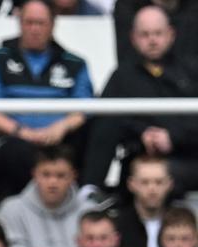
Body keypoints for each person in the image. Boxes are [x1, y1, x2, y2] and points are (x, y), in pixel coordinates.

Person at [0, 0, 93, 205]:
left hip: (60, 139)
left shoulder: (74, 62)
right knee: (17, 152)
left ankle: (86, 205)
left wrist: (60, 127)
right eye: (29, 22)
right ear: (19, 22)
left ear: (53, 24)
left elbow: (84, 108)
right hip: (11, 139)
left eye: (40, 23)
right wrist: (23, 132)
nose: (34, 29)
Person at [84, 5, 198, 193]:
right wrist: (142, 132)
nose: (152, 40)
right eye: (145, 34)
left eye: (158, 33)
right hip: (137, 161)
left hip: (187, 161)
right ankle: (90, 190)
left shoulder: (192, 72)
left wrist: (172, 137)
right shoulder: (122, 76)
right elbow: (106, 124)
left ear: (171, 34)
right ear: (133, 38)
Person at [0, 146, 99, 247]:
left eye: (60, 175)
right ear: (34, 174)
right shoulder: (11, 210)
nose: (53, 183)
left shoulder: (89, 210)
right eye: (46, 175)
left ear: (73, 176)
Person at [114, 155, 174, 247]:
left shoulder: (183, 224)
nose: (152, 189)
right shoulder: (117, 226)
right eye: (145, 182)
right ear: (131, 184)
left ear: (169, 184)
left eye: (159, 182)